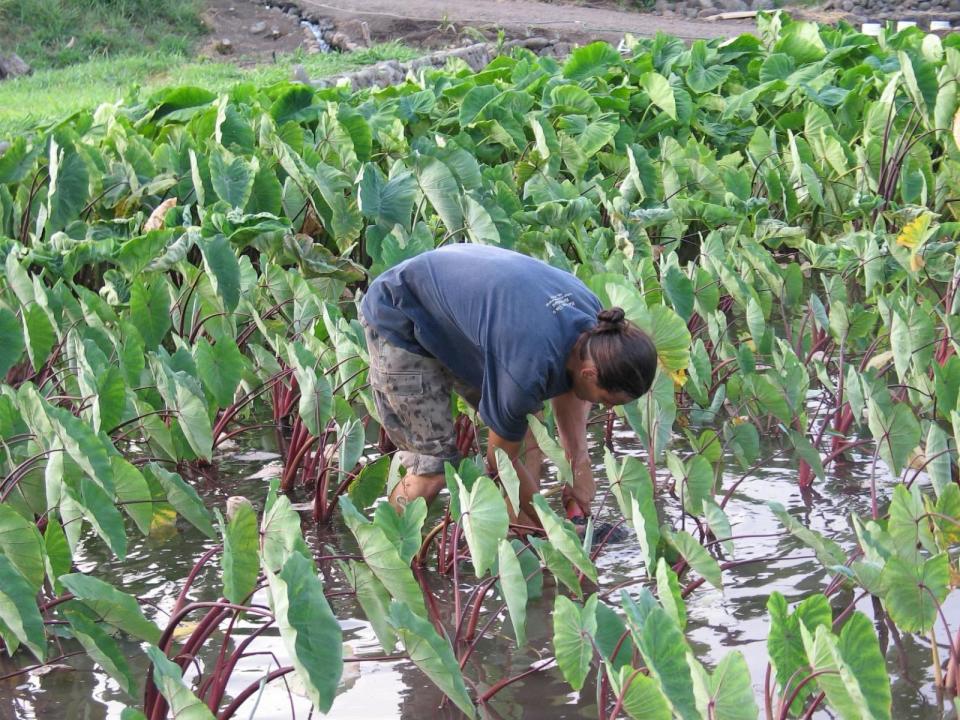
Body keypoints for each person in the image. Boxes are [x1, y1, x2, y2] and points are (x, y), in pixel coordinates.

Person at [359, 244, 657, 527]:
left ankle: (522, 533)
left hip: (461, 313)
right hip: (400, 312)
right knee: (433, 466)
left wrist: (579, 466)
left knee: (526, 431)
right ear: (591, 374)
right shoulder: (527, 369)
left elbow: (571, 387)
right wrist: (554, 532)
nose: (605, 408)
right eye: (607, 401)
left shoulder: (598, 329)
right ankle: (390, 540)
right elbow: (500, 461)